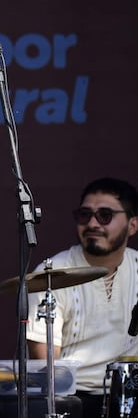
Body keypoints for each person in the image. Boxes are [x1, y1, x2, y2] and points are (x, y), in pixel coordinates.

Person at [26, 177, 138, 417]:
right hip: (74, 398)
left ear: (132, 225)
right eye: (85, 215)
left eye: (105, 215)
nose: (93, 223)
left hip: (130, 394)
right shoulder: (51, 275)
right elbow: (48, 367)